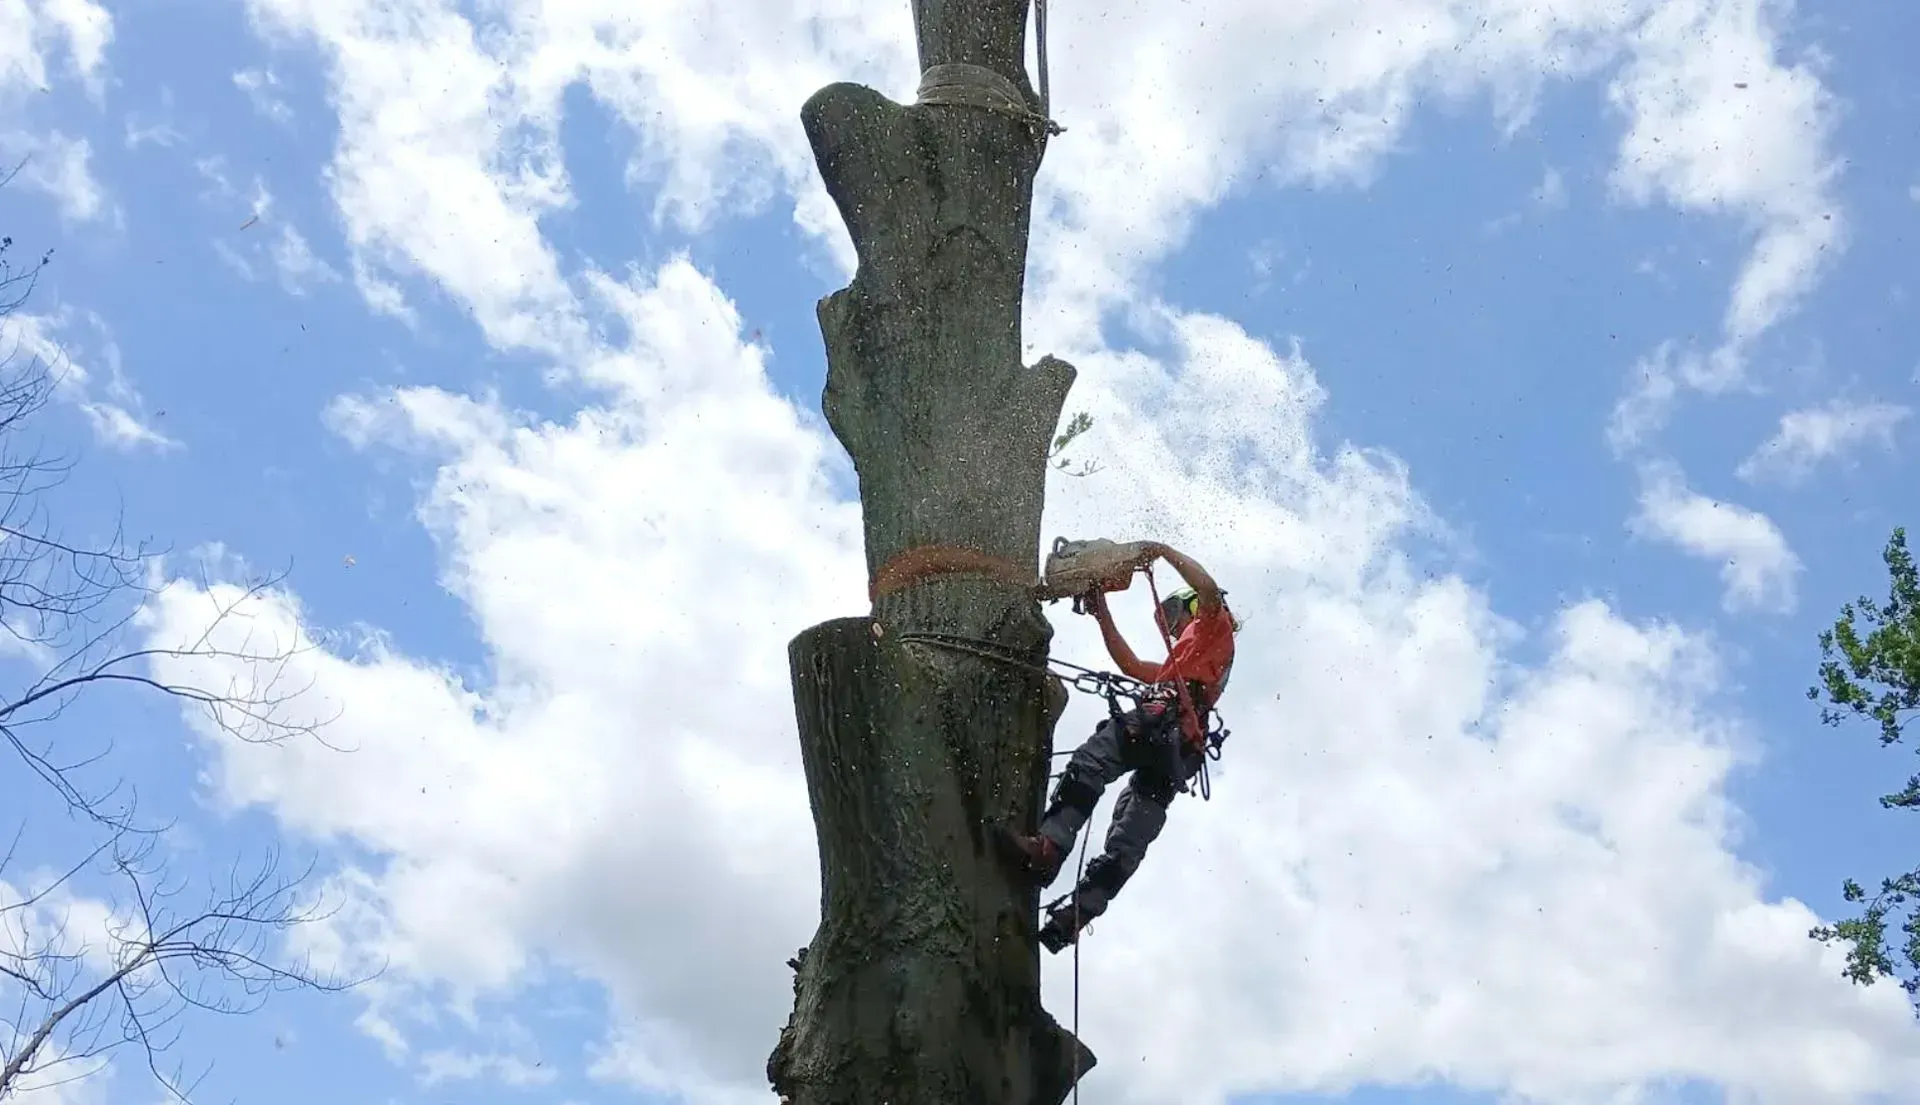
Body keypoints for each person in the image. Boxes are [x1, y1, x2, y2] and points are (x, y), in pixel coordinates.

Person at [995, 541, 1238, 952]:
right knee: (1131, 833)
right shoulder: (1188, 662)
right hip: (1179, 753)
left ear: (1192, 608)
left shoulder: (1214, 623)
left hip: (1160, 722)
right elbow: (1129, 665)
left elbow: (1209, 589)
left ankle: (1050, 846)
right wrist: (1101, 612)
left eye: (1176, 618)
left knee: (1091, 763)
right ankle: (1075, 916)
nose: (1173, 628)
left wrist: (1160, 551)